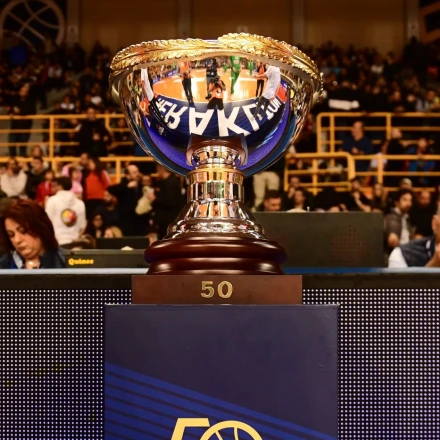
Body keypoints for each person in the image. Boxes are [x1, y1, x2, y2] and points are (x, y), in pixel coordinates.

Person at [0, 199, 65, 269]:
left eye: (23, 231)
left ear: (41, 228)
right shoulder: (3, 265)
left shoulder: (66, 261)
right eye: (11, 235)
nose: (17, 240)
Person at [45, 177, 87, 246]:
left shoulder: (52, 201)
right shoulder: (80, 203)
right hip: (75, 244)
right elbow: (83, 226)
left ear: (60, 186)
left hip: (57, 243)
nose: (52, 188)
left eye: (54, 186)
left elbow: (46, 223)